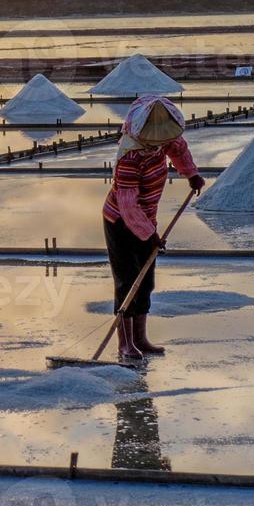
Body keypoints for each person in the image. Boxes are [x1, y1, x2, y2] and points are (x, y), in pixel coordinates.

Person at [102, 94, 205, 359]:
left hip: (147, 221)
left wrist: (191, 173)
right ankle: (125, 344)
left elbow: (178, 148)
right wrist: (150, 236)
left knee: (145, 281)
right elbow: (128, 206)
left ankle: (141, 339)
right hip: (122, 222)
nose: (163, 144)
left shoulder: (159, 138)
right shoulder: (130, 157)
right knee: (128, 281)